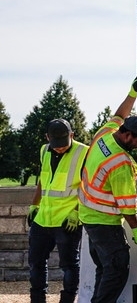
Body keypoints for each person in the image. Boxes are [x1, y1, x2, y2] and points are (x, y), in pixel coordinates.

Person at [78, 75, 137, 303]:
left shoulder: (105, 133)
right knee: (117, 269)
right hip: (104, 222)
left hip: (89, 216)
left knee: (105, 269)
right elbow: (126, 205)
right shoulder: (120, 163)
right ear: (127, 134)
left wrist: (133, 93)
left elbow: (120, 115)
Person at [27, 118, 88, 303]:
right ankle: (38, 299)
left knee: (69, 265)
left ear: (72, 135)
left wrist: (77, 212)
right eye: (56, 144)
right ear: (48, 138)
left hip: (67, 219)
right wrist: (34, 204)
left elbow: (89, 186)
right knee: (36, 262)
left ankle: (67, 300)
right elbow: (43, 180)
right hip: (43, 218)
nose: (59, 148)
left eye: (63, 143)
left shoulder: (84, 152)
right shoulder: (44, 150)